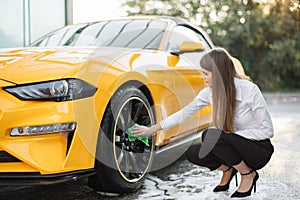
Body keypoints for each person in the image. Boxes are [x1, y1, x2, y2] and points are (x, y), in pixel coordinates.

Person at [132, 47, 274, 198]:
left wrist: (231, 136)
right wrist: (152, 129)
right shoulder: (209, 92)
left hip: (257, 150)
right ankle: (229, 169)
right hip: (232, 145)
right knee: (194, 153)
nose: (202, 77)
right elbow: (184, 113)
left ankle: (248, 174)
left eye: (205, 73)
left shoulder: (249, 90)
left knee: (211, 135)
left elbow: (267, 131)